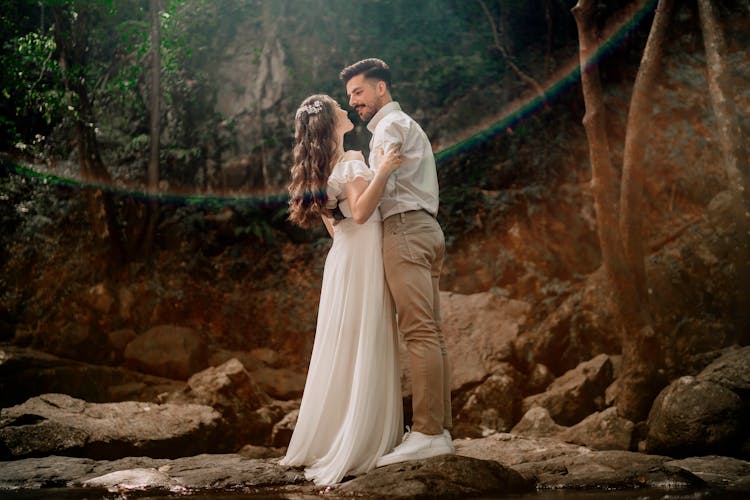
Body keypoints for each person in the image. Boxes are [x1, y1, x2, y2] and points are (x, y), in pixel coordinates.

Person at [278, 94, 404, 485]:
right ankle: (362, 439)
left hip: (343, 257)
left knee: (343, 345)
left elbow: (336, 226)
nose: (346, 109)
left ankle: (333, 434)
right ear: (330, 123)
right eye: (338, 107)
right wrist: (383, 170)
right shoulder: (349, 160)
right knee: (365, 340)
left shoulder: (318, 170)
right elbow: (364, 212)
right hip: (362, 257)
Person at [339, 58, 454, 467]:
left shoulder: (388, 128)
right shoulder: (406, 125)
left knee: (420, 333)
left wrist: (350, 172)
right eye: (350, 95)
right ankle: (438, 430)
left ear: (381, 88)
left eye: (359, 92)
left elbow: (377, 183)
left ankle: (426, 432)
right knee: (432, 333)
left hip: (404, 230)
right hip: (427, 230)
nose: (353, 102)